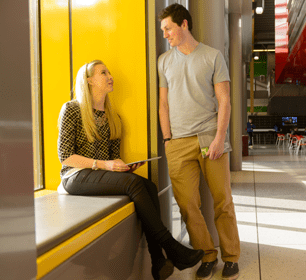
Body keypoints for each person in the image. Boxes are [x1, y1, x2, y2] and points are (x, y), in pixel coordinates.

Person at [58, 60, 204, 280]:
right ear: (89, 81)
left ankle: (158, 260)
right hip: (74, 176)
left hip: (98, 175)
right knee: (135, 184)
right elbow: (66, 156)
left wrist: (123, 167)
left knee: (149, 185)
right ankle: (169, 247)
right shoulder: (72, 109)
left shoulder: (113, 117)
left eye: (110, 71)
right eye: (103, 72)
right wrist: (106, 165)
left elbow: (111, 160)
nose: (110, 76)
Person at [157, 4, 240, 280]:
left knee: (221, 201)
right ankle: (207, 255)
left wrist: (219, 138)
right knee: (187, 205)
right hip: (178, 143)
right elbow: (163, 105)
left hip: (209, 137)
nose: (165, 34)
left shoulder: (212, 56)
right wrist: (167, 139)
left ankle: (231, 257)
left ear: (184, 24)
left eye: (168, 28)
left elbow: (224, 100)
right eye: (163, 30)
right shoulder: (164, 61)